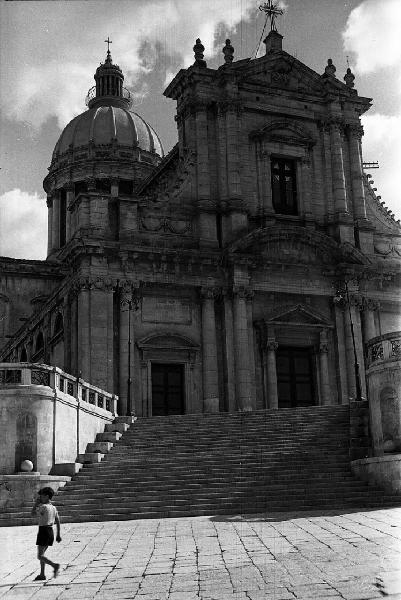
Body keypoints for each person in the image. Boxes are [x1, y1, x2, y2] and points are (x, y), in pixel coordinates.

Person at [31, 486, 61, 581]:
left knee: (39, 556)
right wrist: (58, 534)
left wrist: (36, 504)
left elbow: (32, 513)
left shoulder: (43, 507)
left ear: (47, 496)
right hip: (50, 531)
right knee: (42, 555)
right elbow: (58, 520)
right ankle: (42, 574)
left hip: (43, 531)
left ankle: (54, 565)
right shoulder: (53, 507)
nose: (40, 498)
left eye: (42, 496)